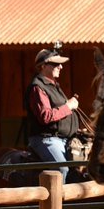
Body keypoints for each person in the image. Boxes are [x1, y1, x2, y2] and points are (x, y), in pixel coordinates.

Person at [25, 44, 79, 181]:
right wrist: (68, 106)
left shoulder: (53, 85)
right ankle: (58, 202)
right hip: (46, 139)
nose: (60, 67)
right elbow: (46, 116)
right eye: (56, 64)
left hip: (62, 138)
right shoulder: (37, 87)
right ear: (43, 66)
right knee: (61, 168)